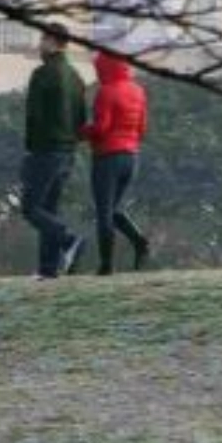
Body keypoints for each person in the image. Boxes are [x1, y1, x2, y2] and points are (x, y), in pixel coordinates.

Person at [20, 22, 88, 279]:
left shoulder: (43, 74)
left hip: (44, 150)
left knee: (31, 208)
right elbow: (82, 120)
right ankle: (48, 269)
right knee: (49, 208)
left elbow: (33, 117)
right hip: (68, 152)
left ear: (51, 42)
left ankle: (69, 239)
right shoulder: (77, 77)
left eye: (42, 40)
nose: (39, 45)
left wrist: (30, 150)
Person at [81, 51, 150, 275]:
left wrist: (81, 132)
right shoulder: (138, 91)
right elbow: (142, 128)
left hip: (107, 158)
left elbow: (101, 128)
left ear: (105, 68)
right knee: (113, 209)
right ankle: (139, 242)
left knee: (104, 213)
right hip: (131, 158)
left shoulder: (107, 92)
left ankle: (106, 265)